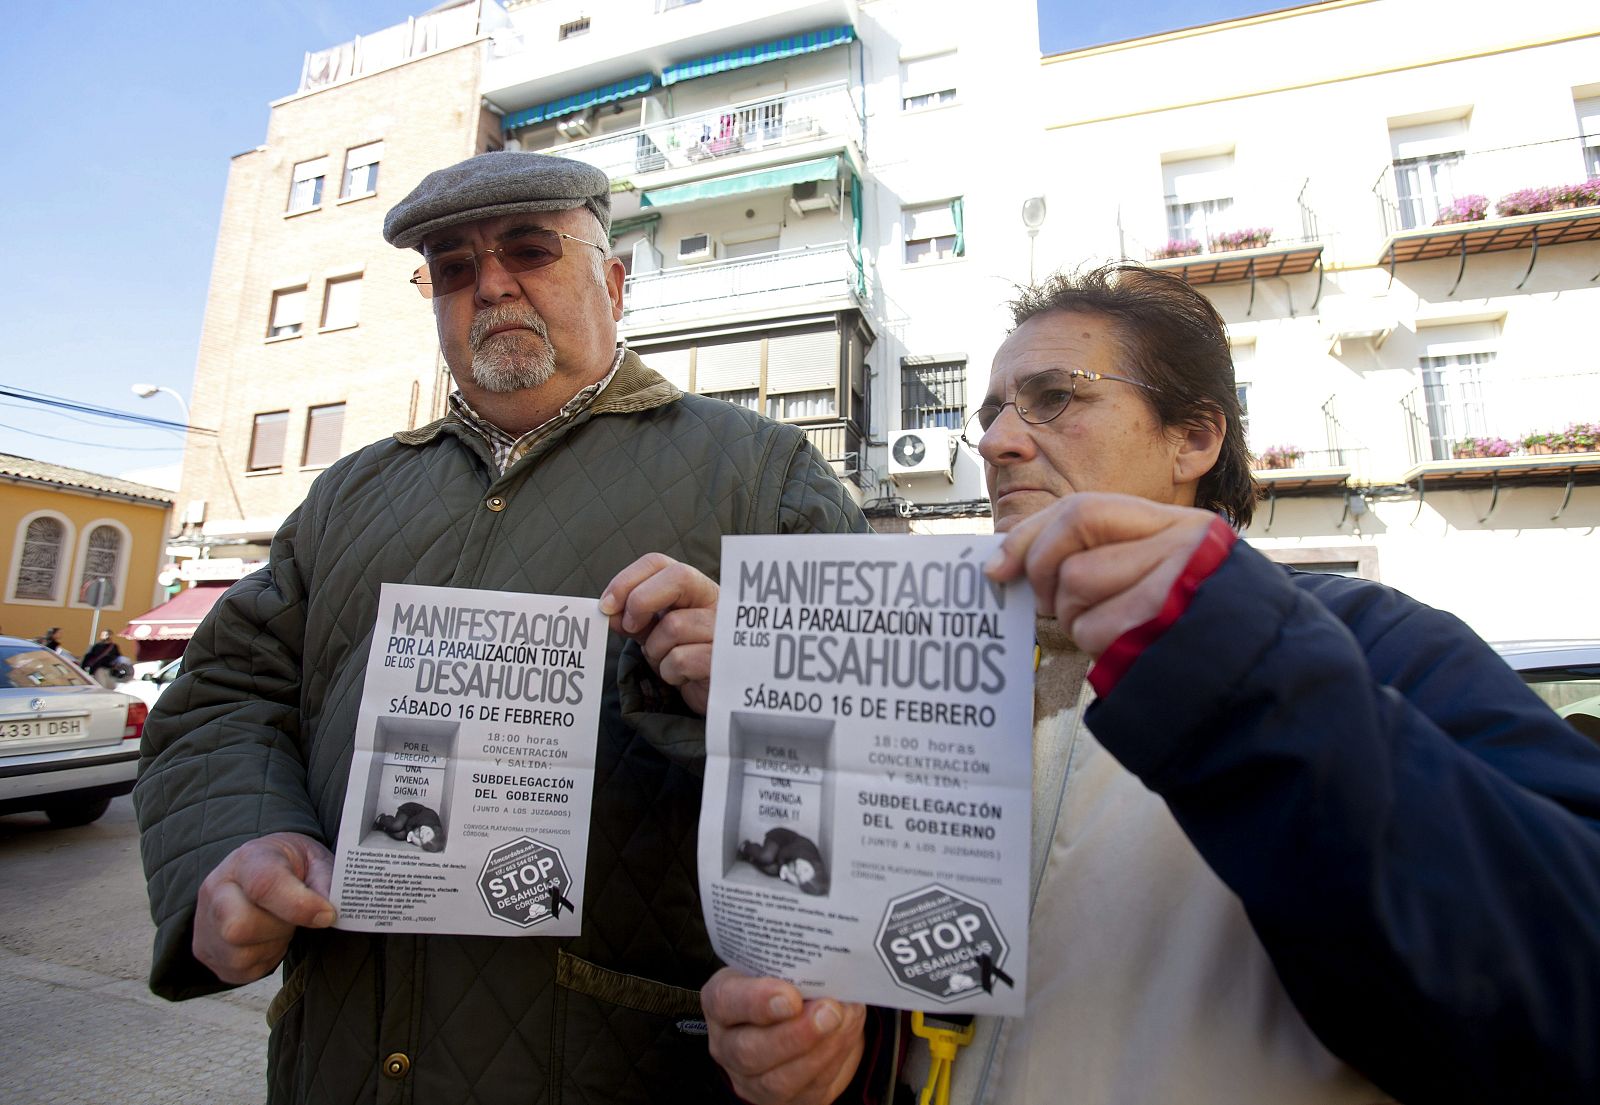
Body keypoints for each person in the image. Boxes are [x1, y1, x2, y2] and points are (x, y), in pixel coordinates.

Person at [692, 264, 1600, 1104]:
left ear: (1196, 437)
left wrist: (1237, 665)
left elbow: (1562, 988)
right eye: (992, 413)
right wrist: (837, 1061)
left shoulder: (1376, 645)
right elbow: (918, 984)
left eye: (1054, 399)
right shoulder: (950, 668)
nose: (998, 441)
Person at [134, 151, 867, 1105]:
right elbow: (223, 697)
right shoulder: (349, 494)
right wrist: (235, 845)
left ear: (611, 278)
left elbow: (889, 743)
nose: (491, 283)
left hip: (625, 1063)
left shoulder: (760, 472)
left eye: (529, 248)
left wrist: (764, 678)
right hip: (341, 1063)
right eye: (453, 267)